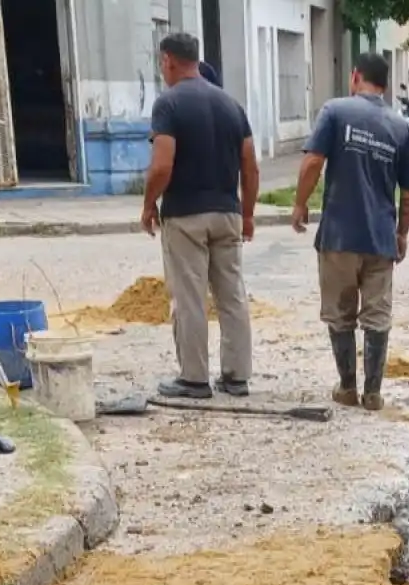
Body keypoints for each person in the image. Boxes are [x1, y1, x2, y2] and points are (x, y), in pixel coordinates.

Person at [291, 52, 409, 412]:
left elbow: (313, 162)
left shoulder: (335, 111)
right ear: (384, 84)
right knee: (377, 314)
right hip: (380, 238)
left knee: (340, 313)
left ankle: (347, 386)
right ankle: (373, 392)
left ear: (355, 76)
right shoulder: (400, 127)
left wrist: (300, 203)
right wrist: (401, 233)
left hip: (339, 236)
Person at [142, 32, 259, 399]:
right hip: (227, 213)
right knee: (232, 295)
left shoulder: (168, 104)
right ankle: (236, 377)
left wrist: (148, 204)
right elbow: (250, 166)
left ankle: (193, 378)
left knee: (190, 297)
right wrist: (248, 214)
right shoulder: (231, 105)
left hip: (185, 215)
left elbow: (162, 165)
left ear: (168, 61)